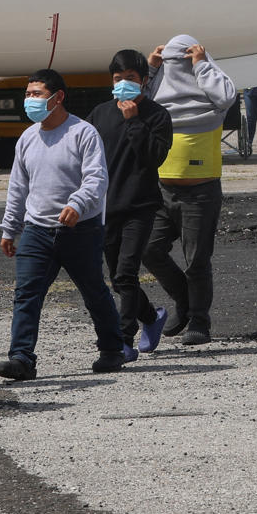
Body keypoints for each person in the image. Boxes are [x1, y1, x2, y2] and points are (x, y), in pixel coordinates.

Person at [0, 69, 122, 376]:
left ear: (58, 97)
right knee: (26, 293)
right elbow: (18, 187)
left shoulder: (83, 133)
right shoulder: (27, 138)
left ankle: (112, 349)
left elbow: (97, 178)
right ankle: (21, 358)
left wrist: (78, 204)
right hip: (37, 230)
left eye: (36, 94)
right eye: (27, 95)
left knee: (93, 290)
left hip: (81, 230)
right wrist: (10, 228)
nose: (29, 101)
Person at [145, 35, 238, 346]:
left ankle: (200, 320)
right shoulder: (158, 97)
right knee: (149, 248)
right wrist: (151, 68)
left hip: (201, 190)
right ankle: (184, 300)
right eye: (175, 64)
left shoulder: (212, 99)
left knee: (197, 259)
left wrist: (202, 65)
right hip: (161, 189)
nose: (179, 69)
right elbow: (132, 102)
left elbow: (227, 96)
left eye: (184, 62)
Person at [89, 50, 174, 355]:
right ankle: (152, 317)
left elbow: (155, 157)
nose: (123, 84)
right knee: (117, 279)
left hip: (140, 207)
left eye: (130, 79)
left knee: (126, 273)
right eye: (117, 79)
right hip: (106, 208)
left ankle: (124, 338)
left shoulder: (157, 115)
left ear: (144, 81)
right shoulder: (100, 114)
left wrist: (134, 123)